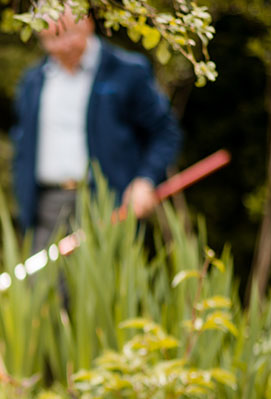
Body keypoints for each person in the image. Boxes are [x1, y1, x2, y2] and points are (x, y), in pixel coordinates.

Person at [11, 8, 182, 251]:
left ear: (87, 23)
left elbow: (165, 133)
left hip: (109, 205)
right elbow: (22, 144)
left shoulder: (127, 72)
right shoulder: (33, 81)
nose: (63, 45)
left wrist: (146, 180)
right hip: (47, 207)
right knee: (43, 287)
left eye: (69, 34)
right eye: (52, 38)